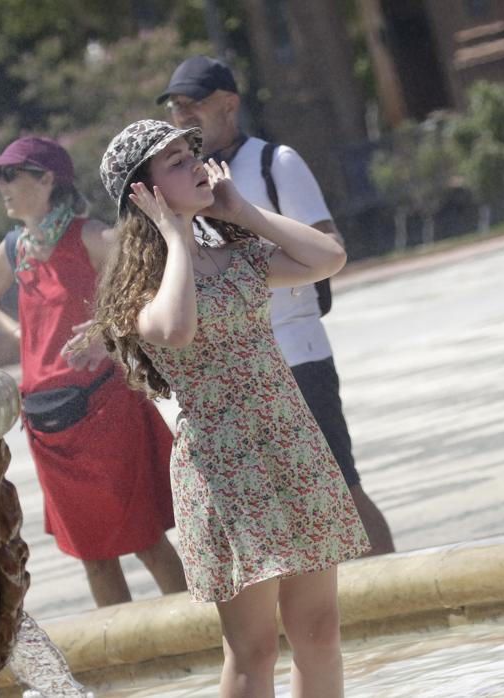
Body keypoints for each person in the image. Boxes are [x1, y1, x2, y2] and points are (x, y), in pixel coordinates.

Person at [94, 119, 369, 697]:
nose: (196, 163)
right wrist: (174, 240)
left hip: (292, 447)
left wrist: (243, 212)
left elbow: (327, 259)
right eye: (173, 161)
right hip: (224, 471)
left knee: (319, 630)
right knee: (254, 650)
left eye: (191, 152)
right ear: (141, 193)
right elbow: (175, 328)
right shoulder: (139, 287)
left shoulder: (237, 254)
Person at [160, 55, 395, 556]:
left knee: (340, 485)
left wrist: (241, 216)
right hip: (239, 367)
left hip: (297, 351)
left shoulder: (275, 162)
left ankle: (397, 589)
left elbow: (327, 243)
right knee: (288, 500)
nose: (183, 117)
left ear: (229, 104)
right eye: (176, 108)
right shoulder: (186, 187)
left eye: (193, 105)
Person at [0, 136, 186, 607]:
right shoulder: (14, 249)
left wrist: (108, 326)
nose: (1, 186)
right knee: (92, 555)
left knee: (146, 539)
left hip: (105, 406)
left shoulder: (89, 235)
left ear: (47, 179)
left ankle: (209, 642)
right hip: (47, 422)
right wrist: (19, 334)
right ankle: (128, 668)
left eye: (11, 175)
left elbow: (153, 285)